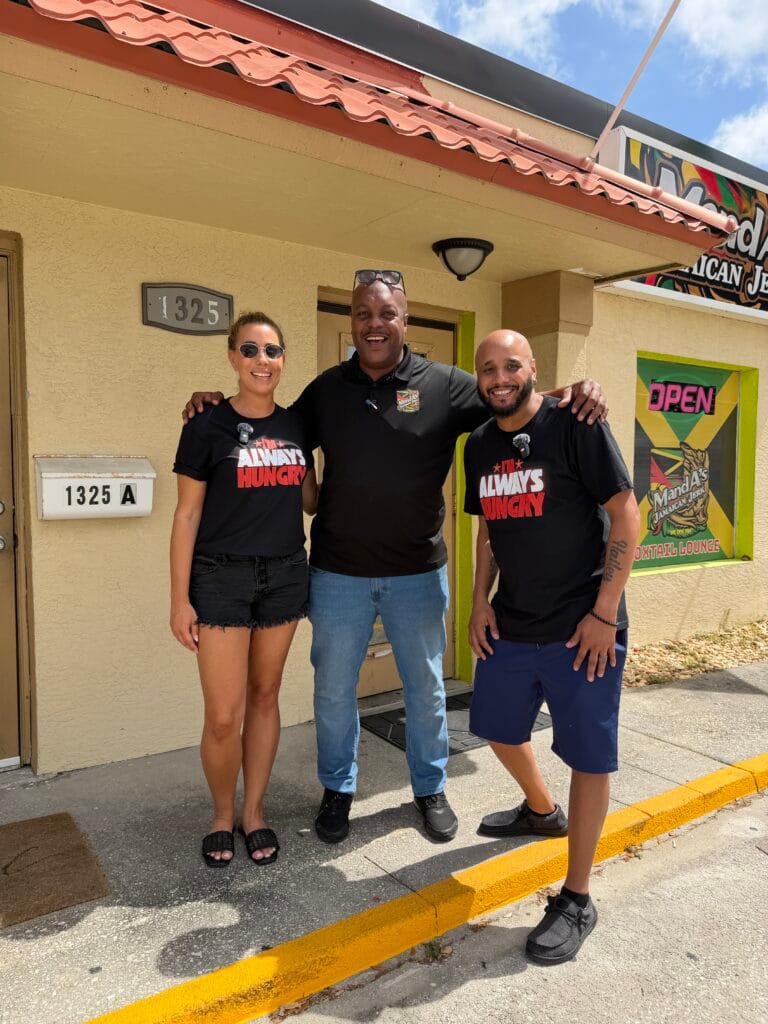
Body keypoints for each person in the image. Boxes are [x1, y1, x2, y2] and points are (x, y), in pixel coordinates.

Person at [183, 271, 606, 845]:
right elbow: (267, 420)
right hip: (337, 573)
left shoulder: (445, 384)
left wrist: (573, 391)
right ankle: (338, 790)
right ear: (353, 322)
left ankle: (430, 788)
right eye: (363, 314)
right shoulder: (327, 390)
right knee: (333, 692)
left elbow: (512, 396)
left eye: (386, 314)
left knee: (425, 690)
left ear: (404, 320)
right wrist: (210, 404)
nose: (374, 324)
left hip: (417, 573)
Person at [464, 329, 640, 964]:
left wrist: (605, 613)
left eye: (512, 365)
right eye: (489, 368)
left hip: (583, 626)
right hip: (513, 621)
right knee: (496, 728)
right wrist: (480, 599)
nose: (500, 377)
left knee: (588, 758)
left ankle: (577, 896)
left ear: (533, 368)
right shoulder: (478, 444)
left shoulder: (576, 424)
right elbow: (488, 528)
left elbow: (627, 515)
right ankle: (541, 810)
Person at [171, 311, 317, 867]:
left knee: (265, 696)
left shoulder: (297, 426)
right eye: (251, 350)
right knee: (222, 715)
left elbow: (311, 500)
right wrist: (179, 598)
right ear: (233, 357)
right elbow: (186, 516)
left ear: (283, 360)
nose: (262, 360)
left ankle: (254, 812)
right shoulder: (205, 425)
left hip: (285, 574)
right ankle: (220, 815)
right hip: (219, 578)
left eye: (272, 351)